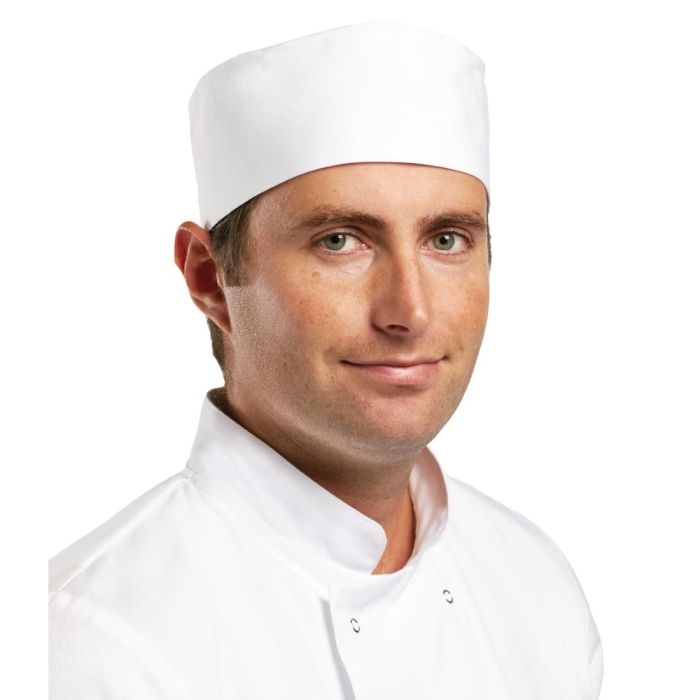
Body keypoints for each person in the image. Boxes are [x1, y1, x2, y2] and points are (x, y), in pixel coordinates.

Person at [48, 20, 603, 699]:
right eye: (340, 240)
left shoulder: (536, 586)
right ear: (209, 278)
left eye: (447, 240)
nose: (410, 311)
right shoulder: (93, 644)